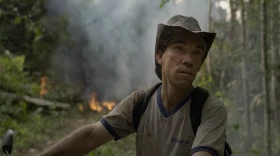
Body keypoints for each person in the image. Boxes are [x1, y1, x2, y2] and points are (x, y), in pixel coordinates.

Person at [39, 15, 227, 156]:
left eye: (197, 52)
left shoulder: (209, 110)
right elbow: (90, 137)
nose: (188, 60)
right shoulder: (141, 102)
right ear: (159, 56)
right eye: (179, 48)